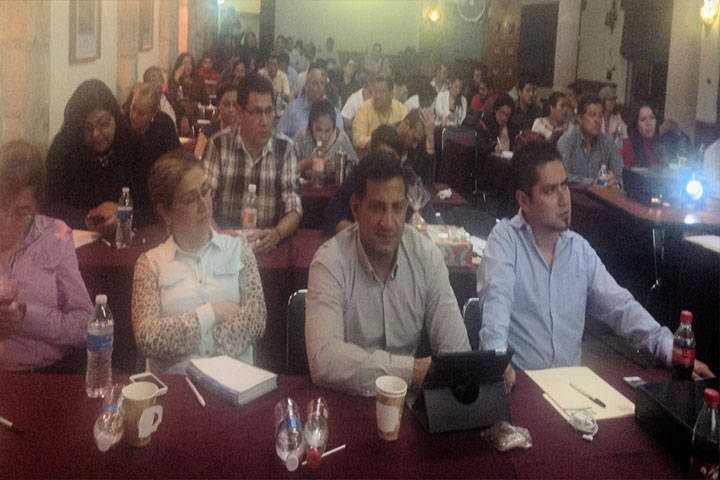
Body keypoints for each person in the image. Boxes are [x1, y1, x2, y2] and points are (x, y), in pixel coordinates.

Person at [476, 141, 714, 392]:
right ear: (524, 200)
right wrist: (497, 359)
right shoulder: (505, 241)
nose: (564, 200)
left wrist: (668, 348)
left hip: (569, 392)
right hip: (520, 388)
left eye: (564, 186)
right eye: (550, 191)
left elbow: (621, 308)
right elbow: (496, 307)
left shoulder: (579, 250)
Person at [306, 150, 470, 396]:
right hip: (348, 401)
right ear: (356, 208)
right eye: (377, 208)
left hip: (410, 405)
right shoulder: (330, 262)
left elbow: (456, 351)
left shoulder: (426, 256)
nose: (389, 222)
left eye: (397, 208)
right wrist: (411, 371)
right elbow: (324, 360)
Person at [132, 150, 266, 375]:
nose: (204, 204)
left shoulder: (238, 249)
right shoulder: (150, 264)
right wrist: (211, 313)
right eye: (190, 199)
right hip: (177, 387)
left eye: (205, 191)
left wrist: (197, 349)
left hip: (237, 380)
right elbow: (148, 337)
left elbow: (256, 319)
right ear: (165, 213)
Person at [0, 140, 92, 373]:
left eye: (22, 212)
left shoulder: (56, 237)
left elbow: (86, 325)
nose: (6, 222)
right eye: (1, 206)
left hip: (45, 374)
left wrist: (27, 319)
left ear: (37, 206)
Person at [202, 74, 302, 255]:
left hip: (268, 247)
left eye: (269, 111)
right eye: (256, 112)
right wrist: (219, 235)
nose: (264, 121)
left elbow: (294, 208)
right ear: (239, 112)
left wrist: (277, 233)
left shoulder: (285, 148)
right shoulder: (218, 145)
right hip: (223, 248)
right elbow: (202, 204)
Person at [45, 79, 151, 237]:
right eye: (87, 128)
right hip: (77, 240)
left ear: (115, 118)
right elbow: (48, 207)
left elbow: (152, 206)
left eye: (103, 124)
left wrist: (123, 215)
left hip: (128, 239)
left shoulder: (134, 145)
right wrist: (86, 218)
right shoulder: (64, 149)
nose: (96, 134)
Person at [323, 121, 436, 235]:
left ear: (400, 160)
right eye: (379, 157)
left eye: (391, 158)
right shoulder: (359, 174)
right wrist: (366, 232)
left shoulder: (409, 178)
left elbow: (431, 222)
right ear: (370, 155)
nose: (384, 164)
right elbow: (331, 219)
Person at [556, 95, 624, 188]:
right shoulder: (567, 141)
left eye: (600, 115)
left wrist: (616, 183)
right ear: (580, 118)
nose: (598, 120)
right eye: (592, 115)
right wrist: (593, 183)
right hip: (574, 195)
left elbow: (620, 175)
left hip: (603, 195)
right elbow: (563, 177)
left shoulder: (608, 142)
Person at [293, 98, 358, 180]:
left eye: (327, 130)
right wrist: (306, 164)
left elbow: (356, 171)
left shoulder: (341, 140)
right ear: (311, 125)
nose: (323, 136)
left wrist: (336, 170)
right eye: (318, 130)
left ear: (333, 127)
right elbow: (286, 170)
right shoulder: (302, 137)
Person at [278, 65, 343, 138]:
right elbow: (280, 135)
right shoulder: (293, 109)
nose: (319, 87)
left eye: (322, 83)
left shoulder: (333, 112)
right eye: (315, 83)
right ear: (306, 86)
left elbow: (339, 138)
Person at [124, 82, 180, 165]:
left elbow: (176, 158)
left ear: (153, 114)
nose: (134, 116)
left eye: (141, 113)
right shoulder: (123, 124)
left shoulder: (164, 124)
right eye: (133, 108)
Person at [352, 76, 408, 149]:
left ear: (391, 94)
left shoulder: (401, 110)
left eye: (382, 92)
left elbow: (406, 137)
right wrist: (385, 142)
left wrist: (381, 141)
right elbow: (357, 139)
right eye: (375, 91)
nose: (378, 95)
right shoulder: (364, 109)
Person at [167, 53, 210, 136]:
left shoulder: (198, 80)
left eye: (190, 63)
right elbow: (171, 98)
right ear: (179, 65)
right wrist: (176, 79)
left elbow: (206, 101)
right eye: (185, 63)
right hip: (178, 113)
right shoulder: (174, 80)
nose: (188, 66)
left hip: (194, 113)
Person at [194, 81, 239, 158]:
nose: (230, 109)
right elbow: (197, 160)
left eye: (235, 105)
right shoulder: (208, 131)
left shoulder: (246, 132)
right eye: (226, 105)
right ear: (219, 106)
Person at [620, 103, 668, 168]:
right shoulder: (627, 149)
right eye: (643, 119)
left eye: (652, 118)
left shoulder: (661, 146)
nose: (648, 123)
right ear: (636, 125)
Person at [144, 66, 177, 131]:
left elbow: (179, 108)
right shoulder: (145, 102)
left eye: (160, 78)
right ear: (146, 84)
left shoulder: (168, 97)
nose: (158, 82)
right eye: (154, 80)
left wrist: (184, 117)